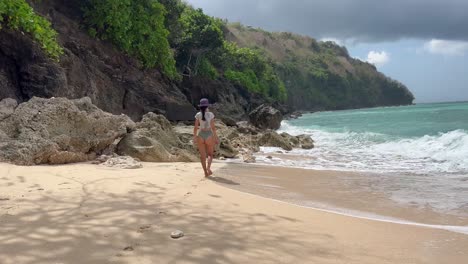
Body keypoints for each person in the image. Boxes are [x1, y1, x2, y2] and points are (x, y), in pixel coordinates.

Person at [193, 98, 219, 177]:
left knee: (202, 156)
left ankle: (205, 172)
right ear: (207, 106)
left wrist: (194, 137)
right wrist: (216, 137)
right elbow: (213, 127)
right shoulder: (210, 114)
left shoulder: (198, 115)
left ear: (200, 107)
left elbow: (195, 127)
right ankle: (208, 168)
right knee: (210, 154)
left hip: (200, 135)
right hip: (209, 135)